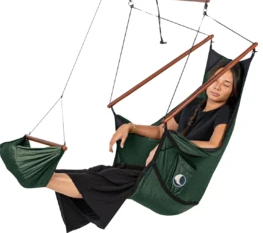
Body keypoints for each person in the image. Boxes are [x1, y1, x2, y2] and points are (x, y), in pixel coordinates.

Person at [47, 64, 241, 232]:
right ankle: (45, 177)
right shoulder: (192, 106)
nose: (217, 86)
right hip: (155, 169)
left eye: (226, 84)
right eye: (215, 79)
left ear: (232, 92)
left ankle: (43, 178)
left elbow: (214, 144)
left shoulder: (224, 111)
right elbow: (160, 131)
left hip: (173, 181)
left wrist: (172, 143)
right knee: (104, 173)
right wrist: (130, 127)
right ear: (208, 80)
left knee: (108, 179)